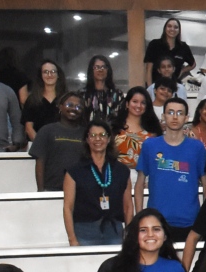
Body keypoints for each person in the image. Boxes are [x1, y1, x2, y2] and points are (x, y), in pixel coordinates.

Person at [135, 99, 206, 236]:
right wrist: (139, 217)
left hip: (190, 222)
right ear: (163, 116)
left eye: (180, 113)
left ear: (186, 118)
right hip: (156, 222)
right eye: (170, 112)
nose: (175, 117)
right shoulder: (150, 145)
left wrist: (204, 218)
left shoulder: (197, 148)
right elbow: (139, 183)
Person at [63, 118, 133, 246]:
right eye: (93, 135)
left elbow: (128, 206)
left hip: (114, 231)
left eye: (102, 135)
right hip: (84, 231)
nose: (98, 139)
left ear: (109, 139)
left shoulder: (122, 171)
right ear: (87, 139)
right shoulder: (74, 171)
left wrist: (129, 235)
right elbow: (68, 207)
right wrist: (72, 239)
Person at [30, 92, 87, 192]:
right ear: (60, 107)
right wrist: (41, 191)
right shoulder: (46, 130)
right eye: (69, 105)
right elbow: (40, 162)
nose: (74, 109)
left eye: (78, 107)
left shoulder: (86, 134)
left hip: (80, 190)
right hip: (51, 189)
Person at [111, 87, 160, 170]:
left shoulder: (153, 130)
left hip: (144, 175)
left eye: (143, 103)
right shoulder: (114, 127)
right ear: (127, 104)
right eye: (135, 101)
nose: (139, 106)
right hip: (117, 174)